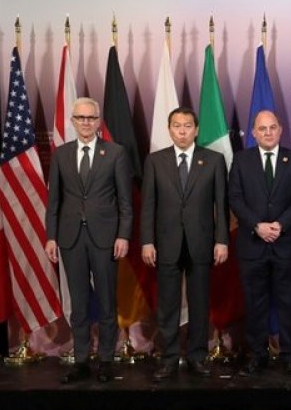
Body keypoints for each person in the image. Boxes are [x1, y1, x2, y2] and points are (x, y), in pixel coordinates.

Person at [45, 97, 133, 383]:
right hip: (71, 238)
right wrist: (51, 237)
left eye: (91, 118)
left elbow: (125, 201)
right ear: (72, 121)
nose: (86, 123)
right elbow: (54, 200)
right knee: (79, 303)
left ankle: (106, 359)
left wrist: (123, 235)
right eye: (81, 118)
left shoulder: (116, 153)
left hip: (106, 237)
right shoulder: (61, 154)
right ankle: (81, 360)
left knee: (107, 301)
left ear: (99, 121)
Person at [141, 107, 229, 381]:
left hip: (202, 242)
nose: (182, 131)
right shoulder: (155, 161)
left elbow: (221, 205)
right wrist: (147, 241)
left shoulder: (213, 160)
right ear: (169, 129)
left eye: (187, 126)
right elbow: (148, 206)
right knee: (167, 304)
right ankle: (168, 358)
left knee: (199, 303)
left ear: (197, 129)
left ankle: (197, 357)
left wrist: (221, 241)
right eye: (177, 126)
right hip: (166, 244)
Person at [229, 110, 291, 377]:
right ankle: (258, 356)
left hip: (286, 244)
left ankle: (288, 357)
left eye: (272, 127)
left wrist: (281, 225)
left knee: (289, 304)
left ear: (280, 129)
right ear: (253, 133)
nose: (268, 132)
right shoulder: (241, 160)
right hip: (253, 244)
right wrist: (257, 226)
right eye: (262, 129)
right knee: (255, 304)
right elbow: (235, 198)